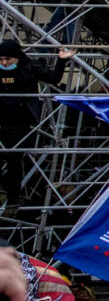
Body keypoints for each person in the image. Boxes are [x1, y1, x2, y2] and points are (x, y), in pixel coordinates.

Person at [0, 38, 73, 209]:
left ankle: (12, 200)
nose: (4, 63)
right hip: (1, 119)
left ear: (17, 57)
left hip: (20, 121)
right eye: (1, 60)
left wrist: (61, 60)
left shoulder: (30, 66)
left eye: (8, 59)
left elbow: (54, 78)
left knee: (14, 160)